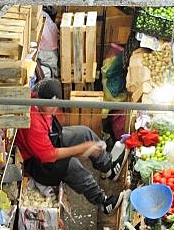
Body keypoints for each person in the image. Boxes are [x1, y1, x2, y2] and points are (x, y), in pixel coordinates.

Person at [15, 77, 125, 215]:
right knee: (72, 166)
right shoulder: (32, 122)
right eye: (50, 105)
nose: (54, 108)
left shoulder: (44, 105)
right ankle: (102, 202)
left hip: (49, 138)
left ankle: (108, 168)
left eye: (56, 104)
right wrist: (82, 149)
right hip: (39, 164)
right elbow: (48, 156)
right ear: (40, 98)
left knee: (84, 133)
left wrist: (84, 146)